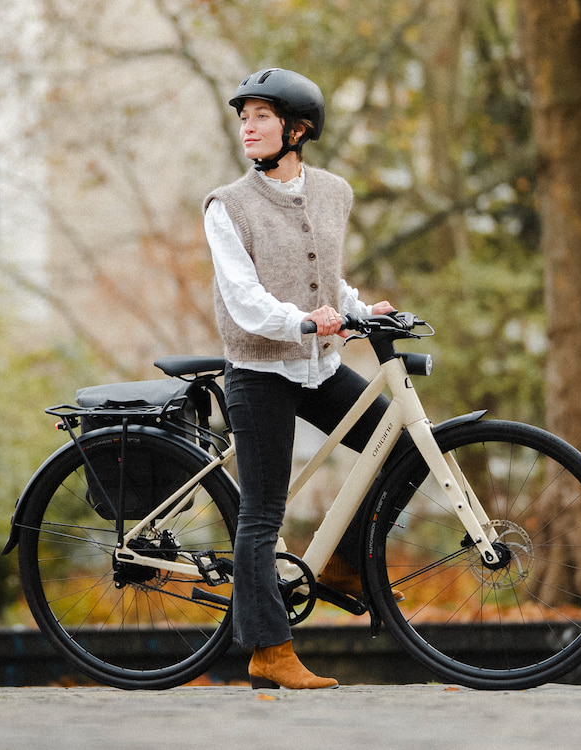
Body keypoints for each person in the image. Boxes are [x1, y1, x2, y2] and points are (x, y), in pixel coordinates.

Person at [204, 68, 397, 690]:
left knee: (393, 447)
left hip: (318, 366)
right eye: (243, 117)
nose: (247, 127)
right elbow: (246, 300)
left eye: (260, 116)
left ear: (298, 127)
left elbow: (326, 281)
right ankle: (267, 652)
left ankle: (343, 563)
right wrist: (306, 322)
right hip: (259, 371)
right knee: (262, 514)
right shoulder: (226, 206)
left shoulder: (334, 192)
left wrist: (363, 312)